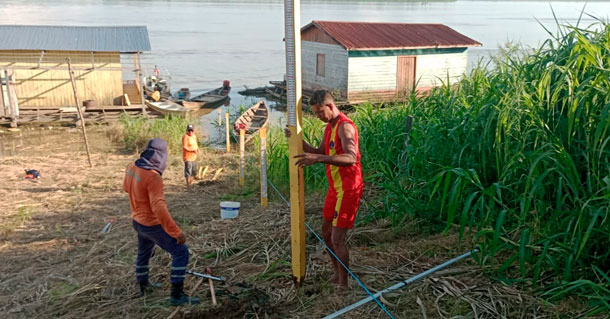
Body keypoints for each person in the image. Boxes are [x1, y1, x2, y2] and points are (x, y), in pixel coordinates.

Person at [286, 90, 363, 288]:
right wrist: (298, 141)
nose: (318, 116)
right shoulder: (329, 127)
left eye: (320, 112)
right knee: (326, 232)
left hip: (349, 188)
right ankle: (337, 273)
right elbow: (321, 152)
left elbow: (351, 157)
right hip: (335, 188)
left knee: (338, 238)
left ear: (330, 106)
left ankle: (343, 284)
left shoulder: (345, 127)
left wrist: (319, 159)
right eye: (315, 113)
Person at [123, 138, 200, 305]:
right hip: (151, 225)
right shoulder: (153, 177)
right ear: (161, 156)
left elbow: (125, 187)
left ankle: (144, 286)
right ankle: (177, 295)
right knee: (181, 252)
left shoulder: (131, 166)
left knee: (144, 253)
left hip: (137, 222)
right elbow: (159, 208)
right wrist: (175, 232)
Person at [182, 124, 199, 189]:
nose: (190, 132)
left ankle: (190, 183)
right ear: (187, 131)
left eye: (191, 130)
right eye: (189, 131)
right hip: (188, 157)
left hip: (194, 157)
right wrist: (192, 150)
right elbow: (185, 147)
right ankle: (188, 185)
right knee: (188, 171)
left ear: (193, 131)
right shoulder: (186, 137)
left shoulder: (194, 136)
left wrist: (197, 149)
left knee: (194, 171)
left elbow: (196, 144)